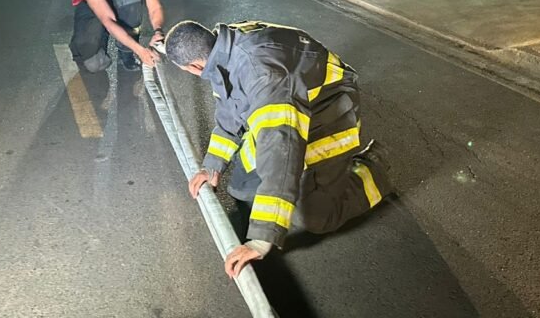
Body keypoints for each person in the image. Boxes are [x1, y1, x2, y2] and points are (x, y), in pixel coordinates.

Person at [165, 20, 393, 278]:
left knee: (314, 217)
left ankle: (373, 166)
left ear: (196, 66)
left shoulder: (263, 75)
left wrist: (261, 239)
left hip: (329, 110)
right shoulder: (225, 49)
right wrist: (212, 165)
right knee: (241, 186)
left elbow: (282, 150)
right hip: (297, 98)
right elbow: (230, 109)